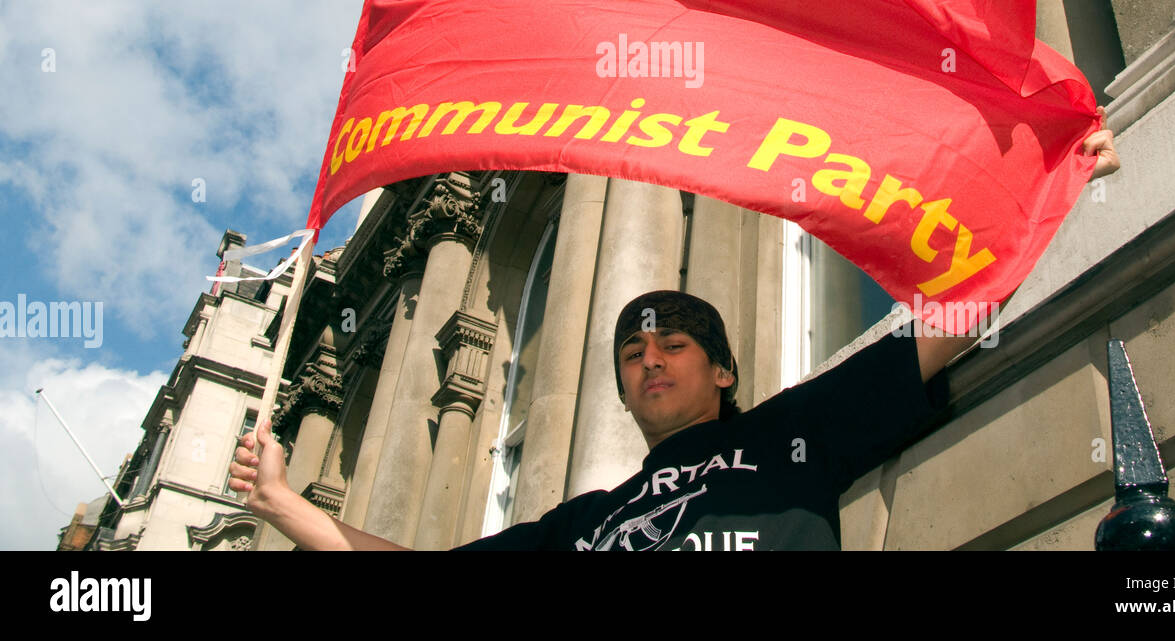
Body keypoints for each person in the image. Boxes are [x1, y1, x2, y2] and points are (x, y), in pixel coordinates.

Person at [231, 118, 1119, 550]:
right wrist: (281, 502)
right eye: (631, 352)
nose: (649, 358)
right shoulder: (587, 523)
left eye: (672, 344)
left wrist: (1053, 193)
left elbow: (944, 331)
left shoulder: (789, 436)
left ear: (725, 370)